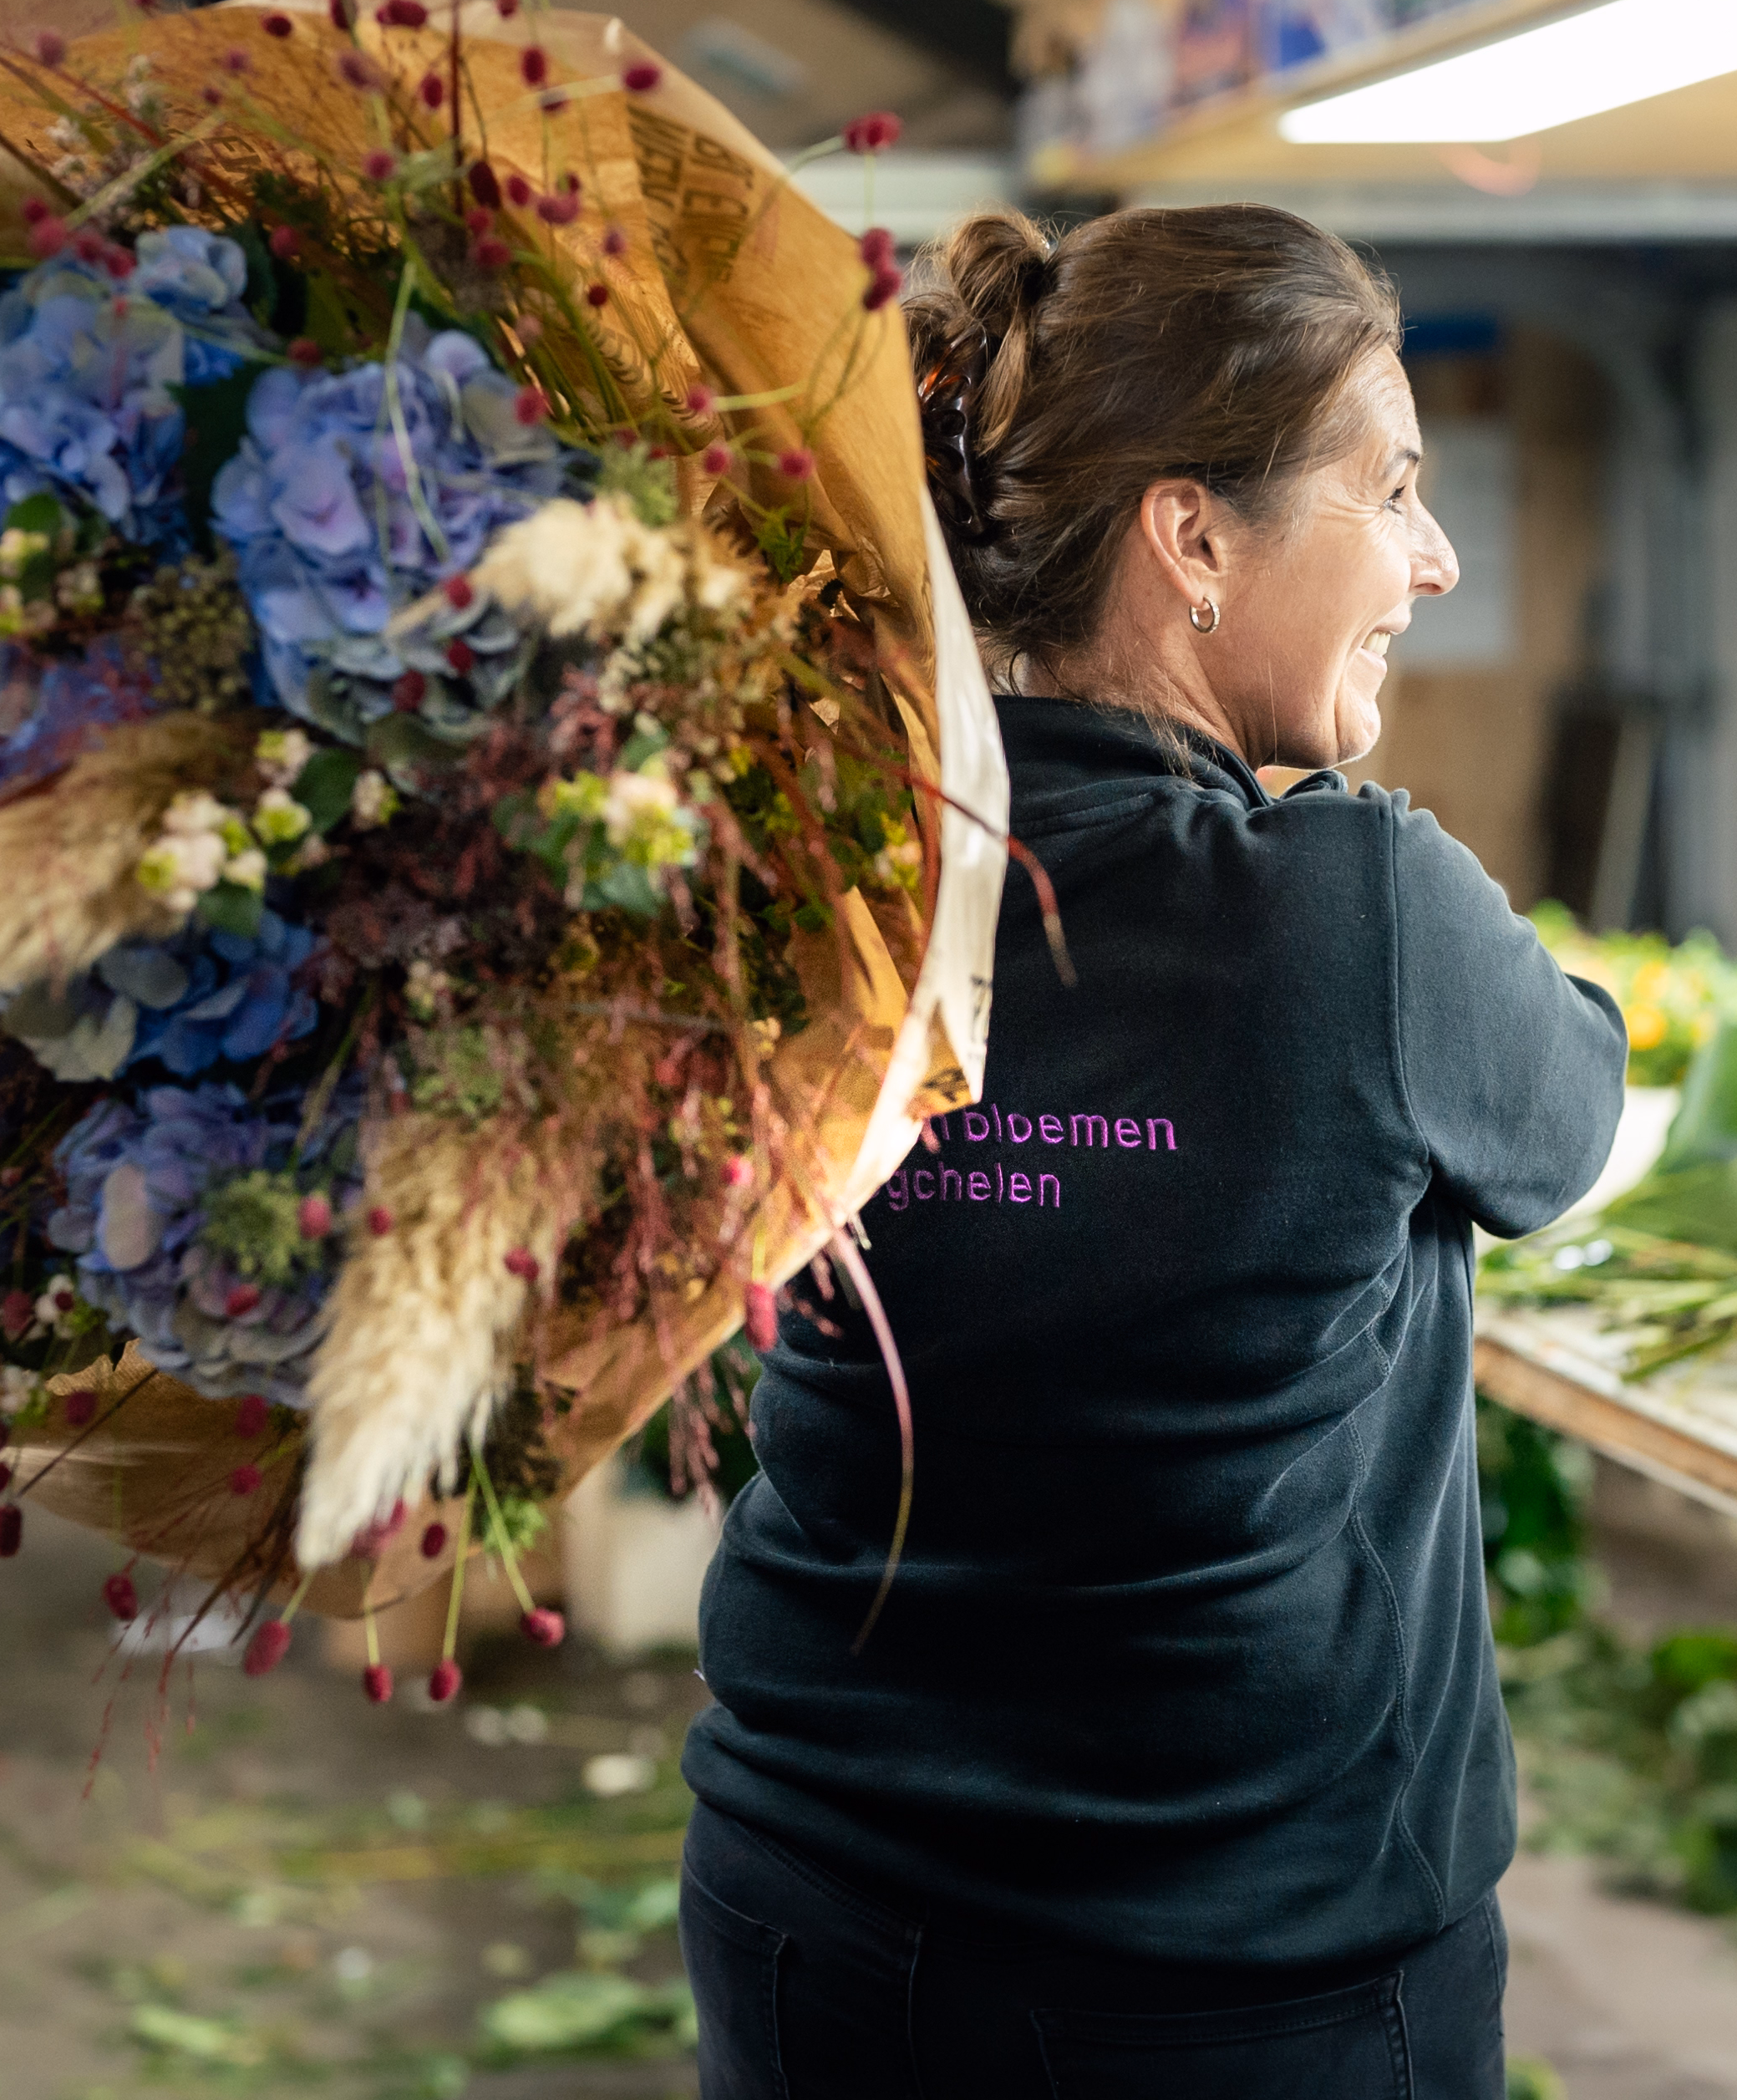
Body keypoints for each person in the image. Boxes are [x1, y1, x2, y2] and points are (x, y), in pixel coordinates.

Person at [677, 206, 1628, 2097]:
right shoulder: (1353, 906)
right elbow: (1569, 1110)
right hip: (1232, 1985)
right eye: (1391, 489)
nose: (1434, 557)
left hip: (808, 1913)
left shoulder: (811, 873)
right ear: (1192, 537)